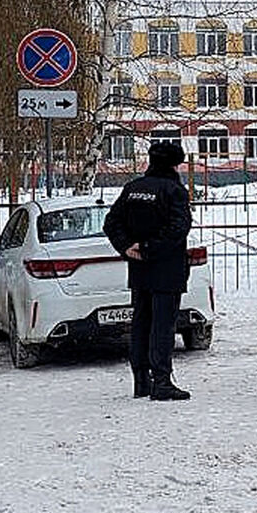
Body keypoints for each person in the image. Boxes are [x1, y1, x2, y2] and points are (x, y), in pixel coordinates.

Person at [103, 141, 193, 402]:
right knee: (163, 326)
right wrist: (148, 248)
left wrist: (127, 247)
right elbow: (179, 228)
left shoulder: (133, 189)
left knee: (141, 324)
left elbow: (112, 222)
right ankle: (162, 381)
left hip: (139, 269)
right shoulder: (174, 191)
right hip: (166, 268)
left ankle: (141, 381)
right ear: (176, 164)